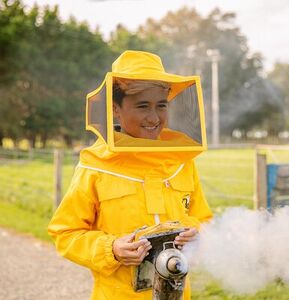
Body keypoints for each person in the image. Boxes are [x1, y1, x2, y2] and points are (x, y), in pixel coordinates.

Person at [48, 50, 212, 299]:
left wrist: (194, 231)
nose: (154, 117)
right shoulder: (95, 166)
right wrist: (111, 248)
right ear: (115, 108)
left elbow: (203, 218)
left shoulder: (180, 161)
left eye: (161, 105)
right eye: (142, 106)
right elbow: (65, 233)